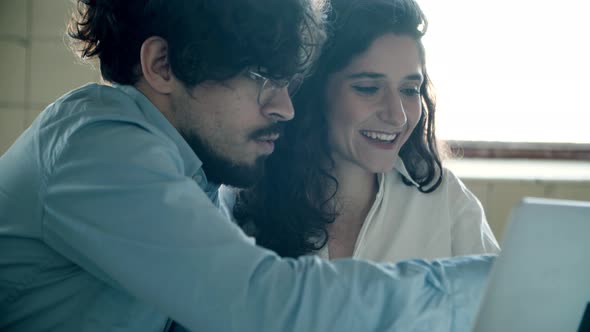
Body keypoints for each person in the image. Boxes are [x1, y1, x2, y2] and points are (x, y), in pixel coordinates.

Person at [0, 0, 494, 331]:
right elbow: (263, 303)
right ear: (163, 66)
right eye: (261, 78)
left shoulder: (190, 167)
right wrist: (502, 280)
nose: (285, 107)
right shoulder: (98, 151)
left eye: (288, 82)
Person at [226, 0, 500, 260]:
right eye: (368, 88)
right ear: (315, 90)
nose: (397, 116)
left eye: (409, 90)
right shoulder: (241, 201)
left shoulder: (446, 202)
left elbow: (505, 306)